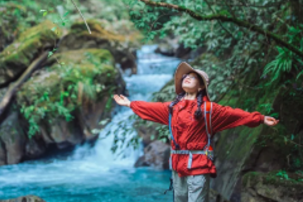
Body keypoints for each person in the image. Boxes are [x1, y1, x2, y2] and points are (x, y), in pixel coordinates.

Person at [113, 62, 279, 202]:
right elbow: (151, 108)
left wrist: (261, 118)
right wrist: (130, 104)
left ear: (200, 87)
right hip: (177, 163)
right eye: (186, 76)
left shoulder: (209, 110)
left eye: (192, 77)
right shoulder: (172, 108)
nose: (187, 78)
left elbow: (234, 114)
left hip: (199, 163)